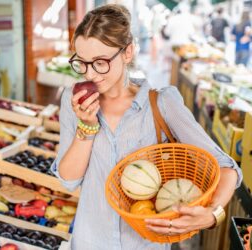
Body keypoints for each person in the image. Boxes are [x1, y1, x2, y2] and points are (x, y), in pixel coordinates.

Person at [51, 4, 242, 250]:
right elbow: (68, 180)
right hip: (89, 240)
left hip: (144, 244)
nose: (90, 74)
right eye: (82, 63)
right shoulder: (73, 100)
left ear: (127, 52)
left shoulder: (161, 103)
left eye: (100, 62)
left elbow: (227, 168)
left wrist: (212, 215)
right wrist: (86, 127)